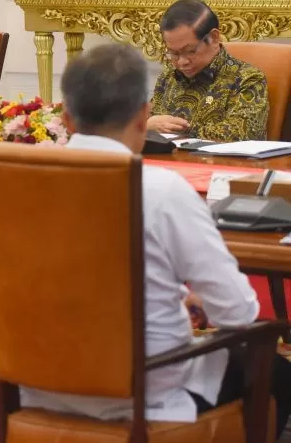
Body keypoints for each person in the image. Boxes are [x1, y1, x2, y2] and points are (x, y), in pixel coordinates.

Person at [28, 42, 290, 434]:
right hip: (145, 387)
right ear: (143, 115)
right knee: (277, 369)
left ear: (65, 118)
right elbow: (240, 312)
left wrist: (169, 294)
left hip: (39, 379)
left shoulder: (21, 181)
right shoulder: (162, 189)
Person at [148, 0, 268, 142]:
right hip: (167, 162)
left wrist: (181, 128)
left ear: (213, 38)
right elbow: (152, 120)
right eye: (174, 53)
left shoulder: (247, 78)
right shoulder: (169, 76)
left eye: (190, 51)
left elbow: (243, 133)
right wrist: (147, 125)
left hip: (222, 163)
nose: (182, 62)